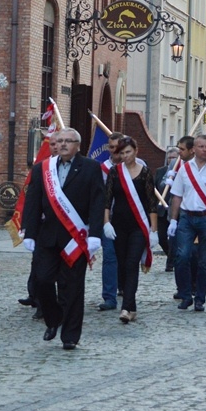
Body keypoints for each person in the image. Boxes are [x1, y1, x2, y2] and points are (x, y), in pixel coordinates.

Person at [22, 127, 104, 350]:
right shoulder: (43, 169)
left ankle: (70, 335)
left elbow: (98, 202)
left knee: (73, 289)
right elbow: (33, 201)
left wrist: (96, 234)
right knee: (42, 281)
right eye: (60, 141)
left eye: (69, 141)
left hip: (75, 238)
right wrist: (28, 232)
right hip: (47, 236)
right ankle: (53, 318)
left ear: (78, 145)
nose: (64, 145)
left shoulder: (90, 168)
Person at [168, 134, 206, 312]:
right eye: (201, 146)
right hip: (187, 216)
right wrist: (173, 220)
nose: (205, 149)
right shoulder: (185, 169)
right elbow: (177, 195)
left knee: (204, 261)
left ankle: (200, 298)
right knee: (182, 256)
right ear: (194, 149)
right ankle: (185, 294)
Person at [103, 137, 158, 323]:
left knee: (132, 263)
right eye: (122, 153)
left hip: (138, 226)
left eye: (128, 152)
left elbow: (152, 203)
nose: (125, 156)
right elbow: (107, 200)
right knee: (122, 264)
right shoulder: (114, 172)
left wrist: (154, 231)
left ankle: (126, 307)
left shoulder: (145, 173)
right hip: (118, 225)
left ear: (135, 151)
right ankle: (131, 305)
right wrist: (106, 223)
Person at [97, 132, 125, 311]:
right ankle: (109, 296)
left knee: (128, 257)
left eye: (117, 148)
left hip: (129, 219)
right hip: (109, 218)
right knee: (109, 256)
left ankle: (126, 290)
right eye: (111, 147)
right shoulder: (101, 169)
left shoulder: (138, 167)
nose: (113, 151)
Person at [154, 147, 180, 272]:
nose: (172, 160)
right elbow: (155, 189)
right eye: (170, 158)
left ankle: (170, 263)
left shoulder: (181, 171)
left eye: (174, 157)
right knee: (162, 238)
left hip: (176, 210)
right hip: (162, 209)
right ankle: (172, 255)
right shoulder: (161, 172)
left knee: (174, 238)